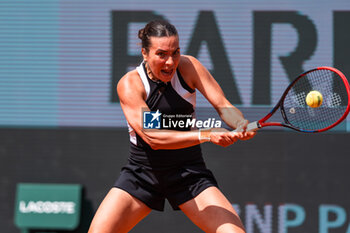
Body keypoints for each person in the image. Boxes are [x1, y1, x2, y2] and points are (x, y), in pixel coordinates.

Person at [88, 19, 256, 233]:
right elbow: (154, 138)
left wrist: (239, 122)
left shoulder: (189, 67)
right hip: (143, 173)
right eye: (161, 54)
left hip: (188, 172)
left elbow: (223, 106)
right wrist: (207, 134)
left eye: (175, 52)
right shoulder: (130, 84)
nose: (170, 62)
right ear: (144, 53)